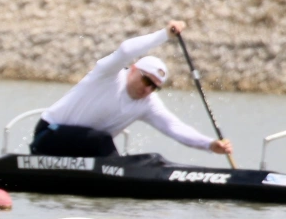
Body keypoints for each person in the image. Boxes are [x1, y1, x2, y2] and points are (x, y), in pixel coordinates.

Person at [29, 20, 234, 158]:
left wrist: (210, 145)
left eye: (155, 87)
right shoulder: (109, 74)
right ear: (134, 69)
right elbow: (126, 49)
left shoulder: (148, 104)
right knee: (101, 141)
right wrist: (164, 34)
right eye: (147, 81)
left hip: (83, 150)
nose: (148, 90)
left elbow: (174, 128)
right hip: (48, 136)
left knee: (108, 145)